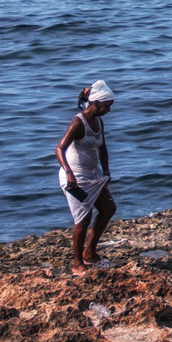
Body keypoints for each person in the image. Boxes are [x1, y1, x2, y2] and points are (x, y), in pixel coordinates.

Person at [55, 80, 117, 275]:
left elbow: (103, 147)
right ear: (96, 103)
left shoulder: (99, 121)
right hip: (75, 179)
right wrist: (68, 172)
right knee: (83, 219)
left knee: (108, 208)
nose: (108, 110)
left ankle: (90, 252)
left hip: (93, 175)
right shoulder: (78, 122)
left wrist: (106, 170)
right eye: (106, 106)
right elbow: (59, 149)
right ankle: (77, 263)